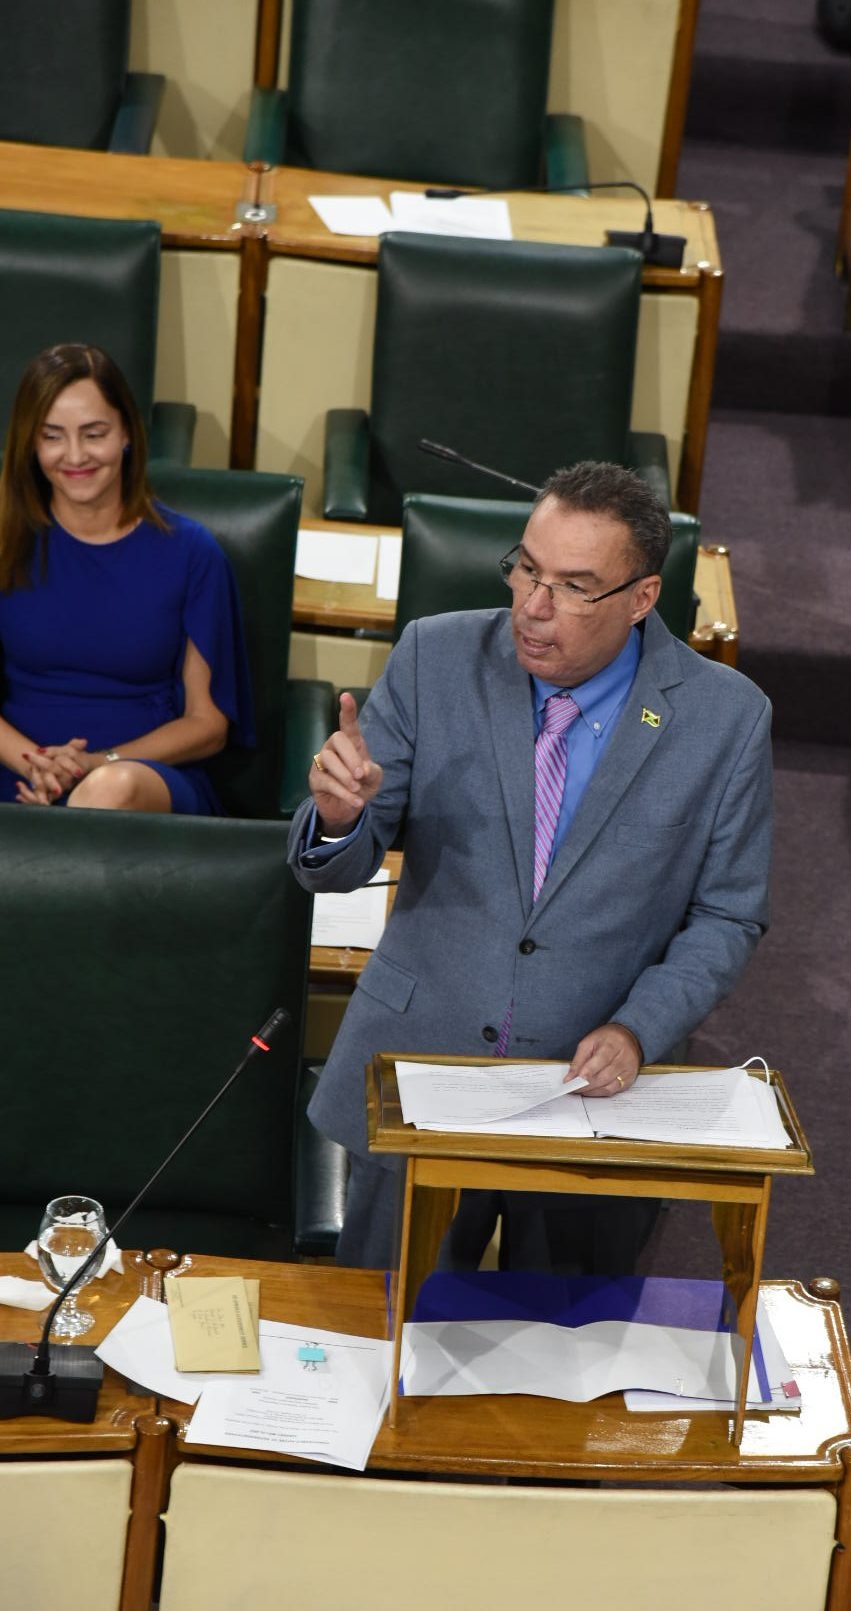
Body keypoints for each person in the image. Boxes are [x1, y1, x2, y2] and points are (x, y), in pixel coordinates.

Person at [288, 460, 773, 1272]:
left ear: (642, 598)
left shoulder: (725, 719)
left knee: (566, 1370)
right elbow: (334, 868)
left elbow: (728, 916)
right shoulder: (433, 658)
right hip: (422, 1069)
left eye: (574, 587)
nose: (534, 608)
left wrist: (638, 1028)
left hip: (591, 1092)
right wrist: (340, 818)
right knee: (379, 1341)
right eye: (526, 570)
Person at [0, 343, 253, 813]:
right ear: (31, 444)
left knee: (107, 792)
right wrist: (36, 764)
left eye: (94, 434)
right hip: (17, 766)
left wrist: (95, 764)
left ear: (127, 435)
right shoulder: (5, 539)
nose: (74, 455)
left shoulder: (192, 552)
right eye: (52, 436)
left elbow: (208, 724)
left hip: (139, 773)